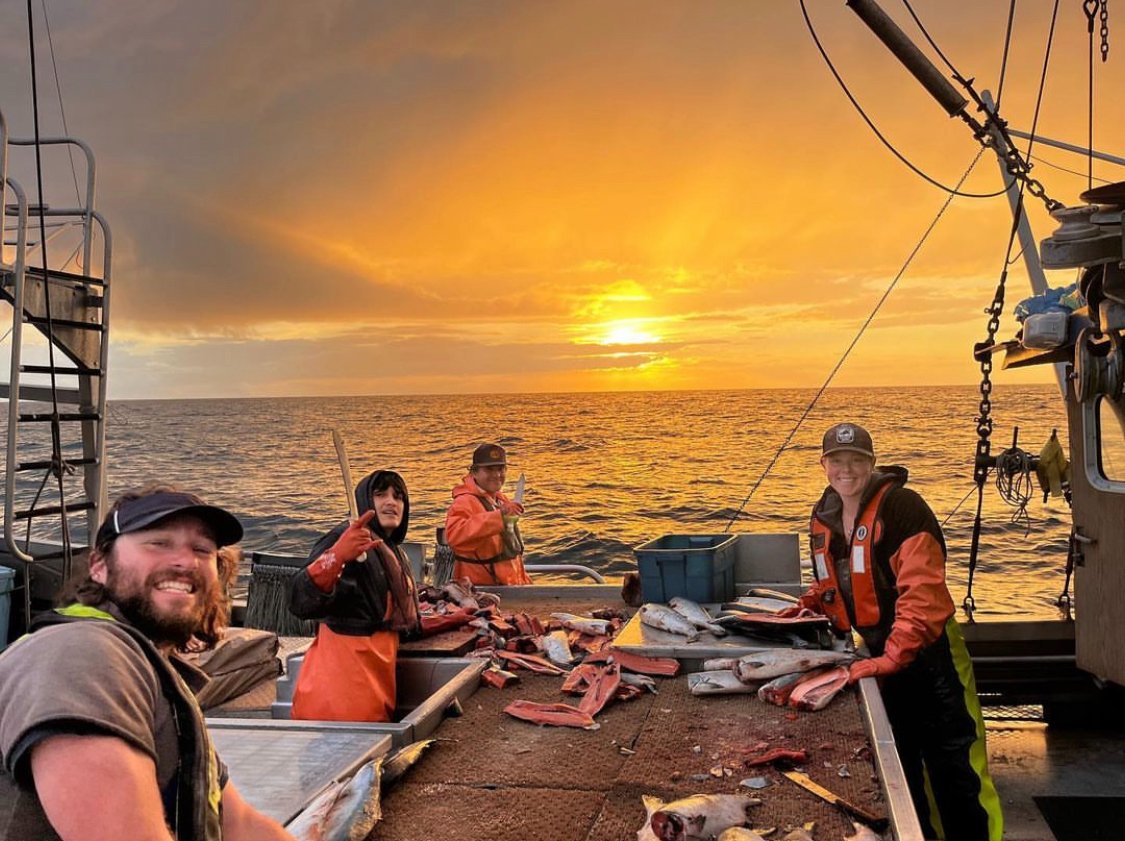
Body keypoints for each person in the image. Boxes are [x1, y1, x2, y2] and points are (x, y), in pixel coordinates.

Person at [0, 485, 293, 840]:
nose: (186, 561)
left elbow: (242, 825)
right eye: (158, 542)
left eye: (202, 549)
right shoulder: (81, 655)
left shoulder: (151, 670)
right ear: (99, 566)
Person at [798, 423, 1002, 841]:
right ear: (823, 465)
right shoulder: (825, 515)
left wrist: (894, 655)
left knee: (957, 769)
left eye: (856, 460)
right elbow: (837, 581)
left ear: (872, 463)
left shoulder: (903, 508)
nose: (846, 470)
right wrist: (812, 603)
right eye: (837, 460)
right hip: (881, 657)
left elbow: (922, 593)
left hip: (933, 655)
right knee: (904, 767)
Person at [288, 469, 421, 722]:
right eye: (380, 495)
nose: (391, 502)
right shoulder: (343, 538)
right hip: (338, 698)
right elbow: (299, 599)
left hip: (375, 688)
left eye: (398, 496)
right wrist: (336, 556)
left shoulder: (391, 550)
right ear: (364, 501)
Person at [444, 443, 532, 585]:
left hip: (510, 588)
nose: (496, 475)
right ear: (474, 472)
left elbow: (512, 558)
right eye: (489, 469)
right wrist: (499, 517)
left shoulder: (501, 500)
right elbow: (454, 535)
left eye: (500, 469)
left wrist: (527, 586)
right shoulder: (464, 501)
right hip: (480, 591)